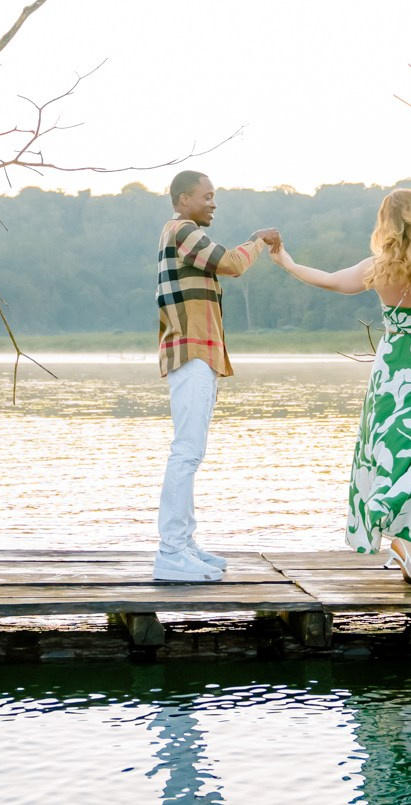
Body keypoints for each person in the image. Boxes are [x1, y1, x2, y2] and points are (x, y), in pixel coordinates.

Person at [267, 188, 411, 587]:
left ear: (389, 224)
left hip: (395, 367)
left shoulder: (380, 268)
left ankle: (384, 515)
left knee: (389, 447)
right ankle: (408, 540)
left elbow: (331, 281)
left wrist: (286, 261)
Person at [153, 170, 276, 583]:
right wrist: (259, 241)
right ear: (183, 199)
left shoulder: (183, 234)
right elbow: (232, 263)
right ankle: (171, 551)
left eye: (214, 196)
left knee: (191, 453)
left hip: (198, 356)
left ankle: (184, 545)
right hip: (189, 354)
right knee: (185, 453)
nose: (213, 203)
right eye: (206, 196)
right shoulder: (182, 230)